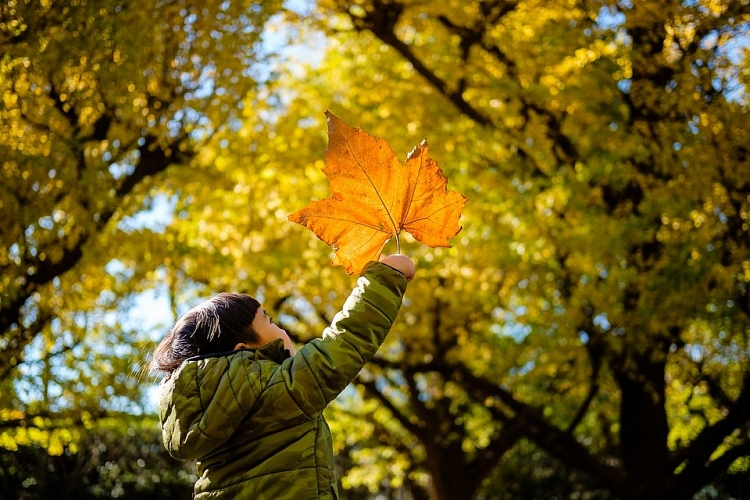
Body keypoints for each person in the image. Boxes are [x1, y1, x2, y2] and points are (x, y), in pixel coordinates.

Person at [151, 254, 415, 499]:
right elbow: (345, 343)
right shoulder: (274, 389)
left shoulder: (203, 413)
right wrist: (385, 277)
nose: (282, 328)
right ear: (242, 352)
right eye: (270, 321)